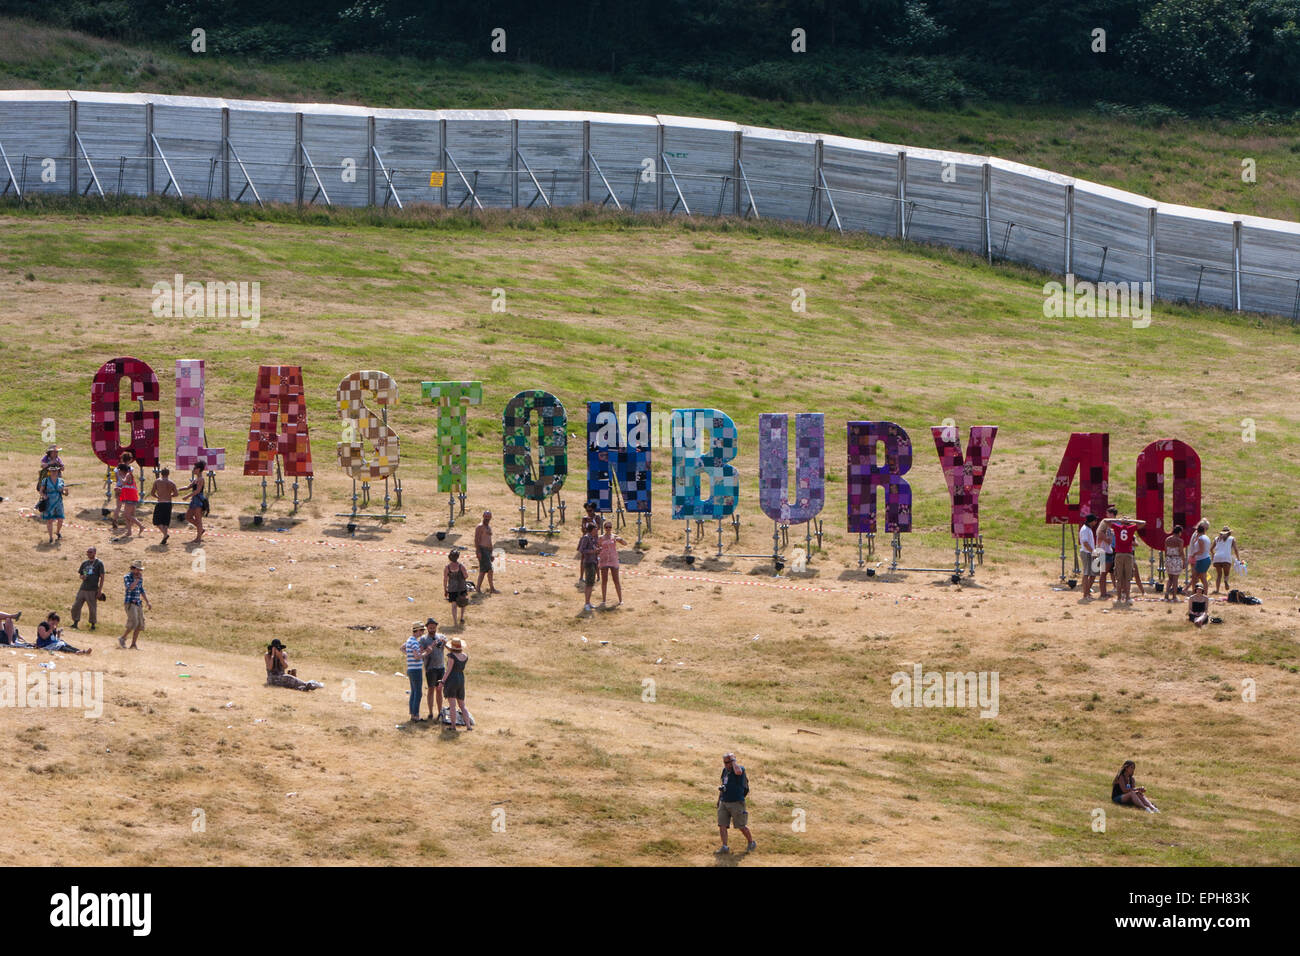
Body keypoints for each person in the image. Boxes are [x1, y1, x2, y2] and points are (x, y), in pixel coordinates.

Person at [1098, 512, 1145, 604]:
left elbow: (1106, 521)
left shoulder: (1117, 527)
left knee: (1119, 578)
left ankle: (1119, 598)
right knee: (1127, 578)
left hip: (1119, 554)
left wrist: (1118, 520)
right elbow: (1143, 523)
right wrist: (1131, 521)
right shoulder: (1131, 528)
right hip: (1128, 554)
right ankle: (1127, 597)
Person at [715, 752, 756, 854]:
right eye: (724, 762)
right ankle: (724, 847)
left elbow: (738, 772)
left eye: (728, 762)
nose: (726, 765)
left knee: (741, 826)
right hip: (724, 801)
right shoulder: (725, 771)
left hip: (736, 802)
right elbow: (723, 784)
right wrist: (719, 799)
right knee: (722, 824)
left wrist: (733, 760)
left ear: (732, 761)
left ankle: (751, 842)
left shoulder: (739, 769)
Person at [438, 637, 471, 731]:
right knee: (462, 705)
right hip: (461, 678)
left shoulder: (451, 656)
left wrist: (442, 682)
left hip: (452, 679)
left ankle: (453, 726)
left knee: (452, 705)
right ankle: (468, 726)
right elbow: (456, 652)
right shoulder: (464, 656)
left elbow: (448, 670)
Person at [71, 546, 106, 630]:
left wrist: (99, 590)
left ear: (94, 553)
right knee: (76, 606)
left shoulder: (99, 563)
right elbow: (81, 574)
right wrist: (82, 577)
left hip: (92, 589)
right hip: (83, 588)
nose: (88, 553)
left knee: (92, 608)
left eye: (90, 552)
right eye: (87, 552)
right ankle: (75, 622)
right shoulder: (85, 563)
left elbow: (102, 577)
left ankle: (92, 625)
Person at [421, 617, 448, 723]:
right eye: (430, 627)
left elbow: (447, 647)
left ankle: (440, 712)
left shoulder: (441, 637)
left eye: (434, 627)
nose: (432, 629)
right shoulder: (423, 639)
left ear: (436, 627)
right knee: (431, 690)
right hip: (430, 668)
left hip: (441, 667)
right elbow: (421, 652)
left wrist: (444, 643)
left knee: (439, 690)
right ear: (427, 628)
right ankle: (431, 712)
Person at [118, 560, 150, 649]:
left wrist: (147, 601)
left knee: (140, 623)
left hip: (138, 603)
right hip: (130, 602)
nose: (139, 572)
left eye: (140, 570)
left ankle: (133, 644)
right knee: (133, 622)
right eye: (138, 569)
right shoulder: (127, 577)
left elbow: (141, 590)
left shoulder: (139, 578)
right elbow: (130, 588)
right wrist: (137, 580)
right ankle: (122, 638)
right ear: (133, 569)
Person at [598, 520, 626, 607]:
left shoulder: (614, 537)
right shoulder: (601, 538)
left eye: (610, 527)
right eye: (607, 527)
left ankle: (620, 600)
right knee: (604, 581)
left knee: (616, 580)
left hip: (613, 560)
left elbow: (625, 543)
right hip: (604, 560)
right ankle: (603, 600)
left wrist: (620, 539)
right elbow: (597, 547)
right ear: (604, 528)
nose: (608, 529)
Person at [148, 468, 179, 544]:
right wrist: (170, 495)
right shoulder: (171, 483)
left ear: (161, 473)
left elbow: (152, 493)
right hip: (168, 503)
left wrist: (158, 497)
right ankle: (164, 536)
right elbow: (176, 494)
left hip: (160, 502)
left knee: (157, 521)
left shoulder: (157, 481)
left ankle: (165, 534)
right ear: (168, 474)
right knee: (165, 522)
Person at [403, 622, 426, 722]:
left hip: (410, 668)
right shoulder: (415, 642)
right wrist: (426, 653)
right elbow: (417, 657)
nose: (423, 632)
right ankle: (415, 715)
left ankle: (412, 714)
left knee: (414, 692)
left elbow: (402, 648)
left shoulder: (409, 640)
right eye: (422, 630)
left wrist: (409, 655)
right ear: (417, 630)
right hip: (416, 669)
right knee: (418, 693)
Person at [116, 462, 145, 540]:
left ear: (122, 470)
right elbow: (127, 486)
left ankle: (141, 526)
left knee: (127, 515)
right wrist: (120, 489)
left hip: (130, 497)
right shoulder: (128, 475)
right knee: (127, 515)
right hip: (130, 497)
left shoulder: (128, 475)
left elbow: (123, 482)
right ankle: (129, 531)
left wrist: (119, 475)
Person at [38, 463, 66, 543]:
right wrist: (44, 496)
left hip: (58, 503)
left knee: (60, 520)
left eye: (55, 470)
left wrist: (65, 491)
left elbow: (64, 493)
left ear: (58, 471)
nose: (54, 472)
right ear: (49, 471)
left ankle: (57, 532)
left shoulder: (61, 480)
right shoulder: (45, 480)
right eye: (52, 470)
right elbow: (41, 491)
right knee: (49, 520)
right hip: (49, 503)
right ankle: (50, 537)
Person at [182, 462, 208, 543]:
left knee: (198, 519)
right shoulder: (196, 479)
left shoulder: (201, 479)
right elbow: (187, 487)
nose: (193, 470)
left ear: (199, 469)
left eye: (194, 468)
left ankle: (198, 538)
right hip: (194, 500)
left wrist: (187, 496)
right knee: (188, 516)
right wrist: (178, 489)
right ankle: (201, 530)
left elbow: (197, 491)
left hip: (198, 501)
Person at [474, 511, 499, 596]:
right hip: (482, 549)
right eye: (486, 516)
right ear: (483, 516)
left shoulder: (489, 528)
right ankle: (490, 588)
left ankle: (479, 588)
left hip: (488, 551)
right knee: (489, 570)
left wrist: (491, 553)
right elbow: (476, 539)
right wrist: (478, 551)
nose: (487, 518)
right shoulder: (480, 527)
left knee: (484, 570)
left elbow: (489, 541)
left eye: (489, 517)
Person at [578, 519, 601, 612]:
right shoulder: (586, 538)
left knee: (591, 584)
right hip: (588, 562)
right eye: (595, 529)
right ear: (591, 529)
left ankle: (588, 602)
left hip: (594, 562)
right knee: (588, 584)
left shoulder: (593, 538)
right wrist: (592, 551)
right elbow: (581, 550)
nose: (597, 531)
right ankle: (586, 603)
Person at [1095, 505, 1117, 599]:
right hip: (1103, 551)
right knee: (1103, 573)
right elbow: (1099, 533)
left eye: (1108, 513)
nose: (1106, 515)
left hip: (1107, 551)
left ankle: (1104, 592)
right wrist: (1107, 540)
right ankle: (1103, 593)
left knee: (1104, 573)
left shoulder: (1111, 524)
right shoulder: (1104, 522)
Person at [1211, 526, 1242, 594]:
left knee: (1219, 575)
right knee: (1226, 574)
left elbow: (1211, 549)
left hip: (1217, 557)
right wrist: (1238, 558)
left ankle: (1217, 590)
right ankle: (1226, 581)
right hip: (1226, 557)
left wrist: (1213, 555)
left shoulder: (1217, 539)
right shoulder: (1232, 539)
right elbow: (1236, 549)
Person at [444, 551, 469, 627]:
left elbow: (445, 579)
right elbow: (466, 576)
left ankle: (455, 622)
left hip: (452, 588)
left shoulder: (447, 567)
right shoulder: (461, 566)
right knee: (463, 603)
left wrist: (445, 589)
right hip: (461, 587)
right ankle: (461, 617)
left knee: (454, 605)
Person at [1162, 525, 1186, 602]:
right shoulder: (1180, 541)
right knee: (1175, 579)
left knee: (1170, 579)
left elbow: (1165, 551)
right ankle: (1174, 596)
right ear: (1179, 532)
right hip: (1176, 559)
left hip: (1168, 558)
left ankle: (1166, 593)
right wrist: (1184, 561)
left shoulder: (1167, 539)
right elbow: (1181, 552)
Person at [1078, 514, 1100, 598]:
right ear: (1092, 521)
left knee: (1094, 573)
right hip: (1086, 553)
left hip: (1090, 553)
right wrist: (1093, 552)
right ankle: (1085, 593)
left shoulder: (1089, 529)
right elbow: (1085, 543)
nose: (1096, 522)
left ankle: (1088, 591)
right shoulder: (1084, 529)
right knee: (1086, 573)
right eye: (1095, 521)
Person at [1189, 520, 1213, 593]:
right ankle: (1199, 592)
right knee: (1199, 577)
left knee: (1200, 577)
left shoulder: (1200, 538)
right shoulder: (1206, 537)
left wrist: (1194, 554)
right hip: (1204, 559)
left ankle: (1200, 593)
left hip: (1202, 559)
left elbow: (1201, 551)